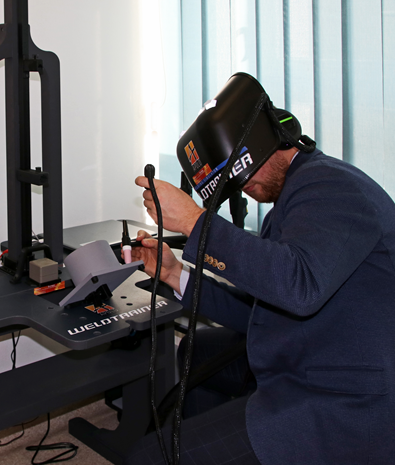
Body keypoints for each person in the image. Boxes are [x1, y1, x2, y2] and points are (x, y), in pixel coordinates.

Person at [125, 143, 395, 464]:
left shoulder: (331, 185)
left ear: (276, 139)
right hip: (312, 346)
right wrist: (173, 274)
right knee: (197, 350)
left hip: (345, 394)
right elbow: (259, 309)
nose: (239, 182)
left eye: (240, 168)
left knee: (147, 458)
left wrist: (193, 221)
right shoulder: (294, 192)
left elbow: (297, 286)